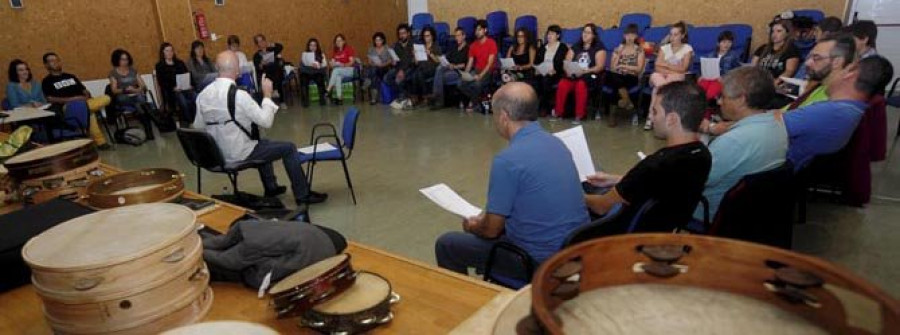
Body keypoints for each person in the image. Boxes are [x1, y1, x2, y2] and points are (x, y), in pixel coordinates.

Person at [434, 82, 589, 276]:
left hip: (536, 261)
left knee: (448, 244)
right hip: (575, 250)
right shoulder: (556, 143)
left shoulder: (508, 160)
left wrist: (473, 226)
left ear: (504, 117)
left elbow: (491, 230)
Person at [193, 51, 327, 205]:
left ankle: (271, 188)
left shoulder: (203, 95)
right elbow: (266, 121)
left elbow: (198, 126)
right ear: (237, 70)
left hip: (217, 156)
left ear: (217, 68)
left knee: (262, 142)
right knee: (289, 148)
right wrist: (267, 95)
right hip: (238, 154)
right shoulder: (239, 95)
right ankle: (303, 195)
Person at [584, 81, 711, 233]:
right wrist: (615, 179)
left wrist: (575, 194)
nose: (650, 116)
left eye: (655, 112)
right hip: (661, 230)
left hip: (621, 233)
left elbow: (601, 207)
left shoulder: (656, 164)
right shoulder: (702, 154)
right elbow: (660, 184)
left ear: (672, 119)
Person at [692, 67, 787, 228]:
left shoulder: (733, 141)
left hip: (711, 214)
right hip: (752, 213)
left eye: (723, 96)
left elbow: (695, 181)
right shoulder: (777, 126)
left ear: (742, 100)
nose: (719, 101)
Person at [784, 35, 892, 171]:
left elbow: (769, 128)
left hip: (773, 172)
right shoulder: (851, 109)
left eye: (847, 67)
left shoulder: (829, 111)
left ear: (850, 74)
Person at [41, 52, 110, 147]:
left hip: (84, 102)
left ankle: (96, 140)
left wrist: (86, 96)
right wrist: (74, 99)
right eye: (52, 61)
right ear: (46, 65)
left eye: (57, 60)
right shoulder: (47, 81)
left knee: (106, 98)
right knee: (88, 111)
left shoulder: (70, 76)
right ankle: (100, 142)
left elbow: (84, 91)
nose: (56, 62)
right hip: (67, 107)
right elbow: (50, 99)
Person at [555, 23, 607, 123]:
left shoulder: (599, 48)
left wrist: (586, 71)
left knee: (581, 84)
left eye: (588, 33)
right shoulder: (576, 46)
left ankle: (580, 115)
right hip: (574, 74)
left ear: (594, 35)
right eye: (584, 32)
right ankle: (559, 113)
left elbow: (600, 66)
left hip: (590, 75)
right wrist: (568, 70)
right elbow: (566, 62)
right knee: (563, 84)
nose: (585, 34)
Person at [646, 21, 694, 130]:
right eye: (671, 34)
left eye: (676, 34)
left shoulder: (687, 48)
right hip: (661, 75)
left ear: (682, 35)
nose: (672, 37)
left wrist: (666, 65)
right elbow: (657, 66)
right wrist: (671, 68)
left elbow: (683, 68)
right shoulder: (664, 48)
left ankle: (651, 118)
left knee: (658, 89)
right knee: (656, 77)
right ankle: (659, 118)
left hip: (676, 76)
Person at [108, 48, 155, 140]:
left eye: (127, 59)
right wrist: (126, 89)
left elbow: (143, 85)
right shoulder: (113, 73)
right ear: (117, 60)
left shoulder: (133, 70)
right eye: (123, 59)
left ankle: (147, 127)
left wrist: (136, 89)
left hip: (135, 94)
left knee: (139, 101)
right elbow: (114, 90)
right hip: (123, 96)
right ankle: (151, 123)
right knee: (141, 102)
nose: (125, 62)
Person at [605, 24, 646, 127]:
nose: (629, 37)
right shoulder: (617, 49)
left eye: (632, 35)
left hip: (631, 77)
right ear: (624, 36)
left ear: (636, 36)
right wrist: (619, 54)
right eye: (627, 34)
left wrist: (624, 66)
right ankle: (627, 100)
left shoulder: (639, 50)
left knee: (615, 81)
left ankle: (612, 115)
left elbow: (638, 69)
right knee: (611, 76)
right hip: (618, 75)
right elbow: (613, 67)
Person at [459, 19, 498, 113]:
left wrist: (480, 76)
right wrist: (465, 74)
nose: (477, 32)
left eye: (479, 29)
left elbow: (489, 64)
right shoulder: (473, 45)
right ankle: (478, 100)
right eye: (476, 30)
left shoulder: (491, 43)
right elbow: (470, 62)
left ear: (485, 30)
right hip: (477, 69)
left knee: (477, 84)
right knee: (460, 84)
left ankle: (473, 103)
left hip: (488, 71)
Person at [155, 43, 197, 125]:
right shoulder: (160, 66)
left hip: (185, 87)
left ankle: (197, 118)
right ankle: (190, 121)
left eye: (171, 50)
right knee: (182, 100)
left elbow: (188, 75)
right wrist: (173, 88)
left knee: (195, 96)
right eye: (167, 51)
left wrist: (190, 84)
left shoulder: (179, 63)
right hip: (172, 90)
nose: (170, 53)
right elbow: (162, 82)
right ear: (163, 53)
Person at [431, 27, 470, 110]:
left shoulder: (468, 48)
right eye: (455, 36)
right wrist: (443, 60)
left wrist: (455, 66)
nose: (457, 38)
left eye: (459, 35)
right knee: (439, 68)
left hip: (459, 71)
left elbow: (465, 65)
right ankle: (437, 98)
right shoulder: (454, 48)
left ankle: (438, 100)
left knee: (440, 77)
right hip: (450, 67)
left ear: (464, 36)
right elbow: (447, 58)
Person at [533, 25, 569, 116]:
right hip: (542, 71)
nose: (549, 36)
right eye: (548, 33)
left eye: (552, 34)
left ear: (558, 36)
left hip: (556, 73)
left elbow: (563, 63)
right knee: (532, 79)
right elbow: (536, 61)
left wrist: (554, 70)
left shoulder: (562, 47)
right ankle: (532, 106)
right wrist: (537, 69)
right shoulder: (543, 47)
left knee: (546, 79)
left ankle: (544, 107)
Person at [696, 30, 742, 101]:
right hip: (708, 78)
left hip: (721, 80)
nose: (726, 45)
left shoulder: (733, 56)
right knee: (699, 91)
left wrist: (725, 78)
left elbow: (738, 71)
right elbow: (701, 68)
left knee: (709, 94)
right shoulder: (711, 55)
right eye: (724, 42)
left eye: (729, 42)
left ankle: (707, 108)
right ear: (718, 43)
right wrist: (700, 76)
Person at [386, 24, 416, 110]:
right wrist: (393, 62)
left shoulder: (413, 44)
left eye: (404, 33)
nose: (402, 36)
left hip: (410, 67)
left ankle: (403, 98)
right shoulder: (397, 45)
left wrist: (402, 70)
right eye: (400, 34)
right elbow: (396, 59)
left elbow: (410, 60)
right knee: (387, 77)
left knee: (398, 79)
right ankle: (404, 95)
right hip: (399, 67)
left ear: (408, 34)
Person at [412, 26, 442, 107]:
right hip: (422, 68)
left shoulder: (436, 46)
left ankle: (423, 97)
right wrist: (415, 55)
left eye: (428, 36)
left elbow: (438, 61)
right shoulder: (421, 47)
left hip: (432, 68)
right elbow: (416, 63)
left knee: (419, 73)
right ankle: (418, 97)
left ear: (432, 36)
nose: (426, 38)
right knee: (416, 73)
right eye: (425, 36)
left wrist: (430, 54)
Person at [324, 34, 357, 106]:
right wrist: (332, 64)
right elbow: (332, 63)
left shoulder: (348, 49)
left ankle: (328, 89)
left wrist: (343, 65)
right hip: (340, 71)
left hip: (349, 69)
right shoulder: (335, 51)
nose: (338, 42)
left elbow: (352, 62)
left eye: (340, 40)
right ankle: (339, 98)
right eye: (336, 41)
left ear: (344, 41)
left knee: (336, 71)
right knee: (337, 77)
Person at [253, 34, 285, 102]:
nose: (261, 43)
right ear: (257, 44)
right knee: (273, 69)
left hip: (276, 72)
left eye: (262, 40)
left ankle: (277, 94)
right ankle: (275, 91)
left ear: (265, 41)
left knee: (276, 68)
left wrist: (271, 44)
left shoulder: (272, 50)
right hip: (266, 74)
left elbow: (280, 47)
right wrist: (261, 64)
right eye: (259, 42)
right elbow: (258, 68)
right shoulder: (256, 55)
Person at [365, 32, 394, 105]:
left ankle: (367, 81)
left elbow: (391, 60)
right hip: (375, 67)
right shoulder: (371, 49)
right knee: (373, 72)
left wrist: (383, 64)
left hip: (385, 68)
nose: (378, 42)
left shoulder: (387, 48)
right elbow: (369, 61)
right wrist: (374, 63)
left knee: (372, 72)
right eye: (376, 40)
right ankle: (374, 99)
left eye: (379, 40)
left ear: (383, 40)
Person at [299, 38, 328, 107]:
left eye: (314, 45)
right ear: (308, 46)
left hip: (317, 72)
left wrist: (319, 65)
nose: (313, 47)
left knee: (320, 78)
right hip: (307, 73)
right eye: (311, 45)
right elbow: (301, 66)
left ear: (317, 46)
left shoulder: (321, 54)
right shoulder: (305, 55)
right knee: (303, 79)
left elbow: (325, 65)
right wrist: (309, 66)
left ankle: (322, 100)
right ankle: (305, 101)